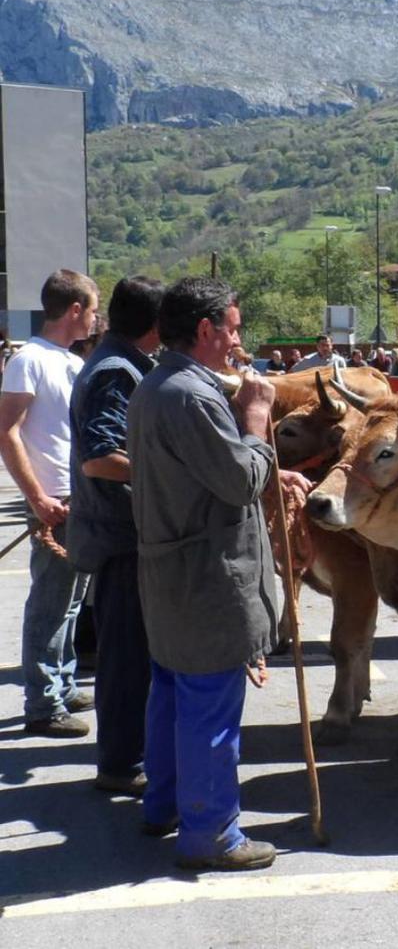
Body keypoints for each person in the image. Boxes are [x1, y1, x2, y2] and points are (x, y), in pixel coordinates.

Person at [128, 276, 310, 871]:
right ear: (205, 330)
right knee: (209, 707)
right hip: (207, 579)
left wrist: (244, 441)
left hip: (170, 570)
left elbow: (204, 473)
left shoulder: (161, 386)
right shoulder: (191, 396)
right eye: (232, 328)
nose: (238, 340)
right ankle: (211, 834)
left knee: (173, 695)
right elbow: (237, 482)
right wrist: (256, 419)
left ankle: (164, 805)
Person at [67, 276, 165, 793]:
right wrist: (171, 470)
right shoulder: (115, 372)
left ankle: (126, 756)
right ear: (156, 324)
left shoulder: (118, 364)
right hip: (120, 538)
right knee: (127, 658)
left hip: (119, 534)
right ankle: (122, 764)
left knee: (129, 655)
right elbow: (101, 460)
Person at [0, 270, 99, 736]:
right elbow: (7, 432)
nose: (97, 319)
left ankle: (60, 679)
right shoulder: (29, 360)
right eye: (93, 309)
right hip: (53, 500)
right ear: (74, 309)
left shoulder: (68, 361)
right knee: (50, 603)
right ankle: (43, 702)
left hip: (75, 498)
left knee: (73, 601)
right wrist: (37, 497)